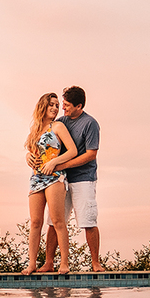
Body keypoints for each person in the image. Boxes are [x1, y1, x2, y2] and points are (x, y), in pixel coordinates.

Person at [38, 85, 103, 271]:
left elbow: (91, 154)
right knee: (54, 220)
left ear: (79, 106)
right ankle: (49, 262)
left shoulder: (90, 123)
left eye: (66, 105)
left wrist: (62, 165)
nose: (62, 108)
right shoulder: (61, 122)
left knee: (88, 220)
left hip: (84, 178)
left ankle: (95, 263)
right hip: (60, 180)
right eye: (62, 104)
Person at [23, 92, 78, 274]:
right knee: (35, 222)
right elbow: (31, 152)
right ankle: (31, 263)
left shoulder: (58, 126)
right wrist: (28, 156)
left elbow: (73, 151)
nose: (55, 108)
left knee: (58, 221)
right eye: (51, 105)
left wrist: (54, 162)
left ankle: (64, 263)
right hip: (36, 178)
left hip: (55, 176)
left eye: (56, 105)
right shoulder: (35, 130)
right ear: (43, 107)